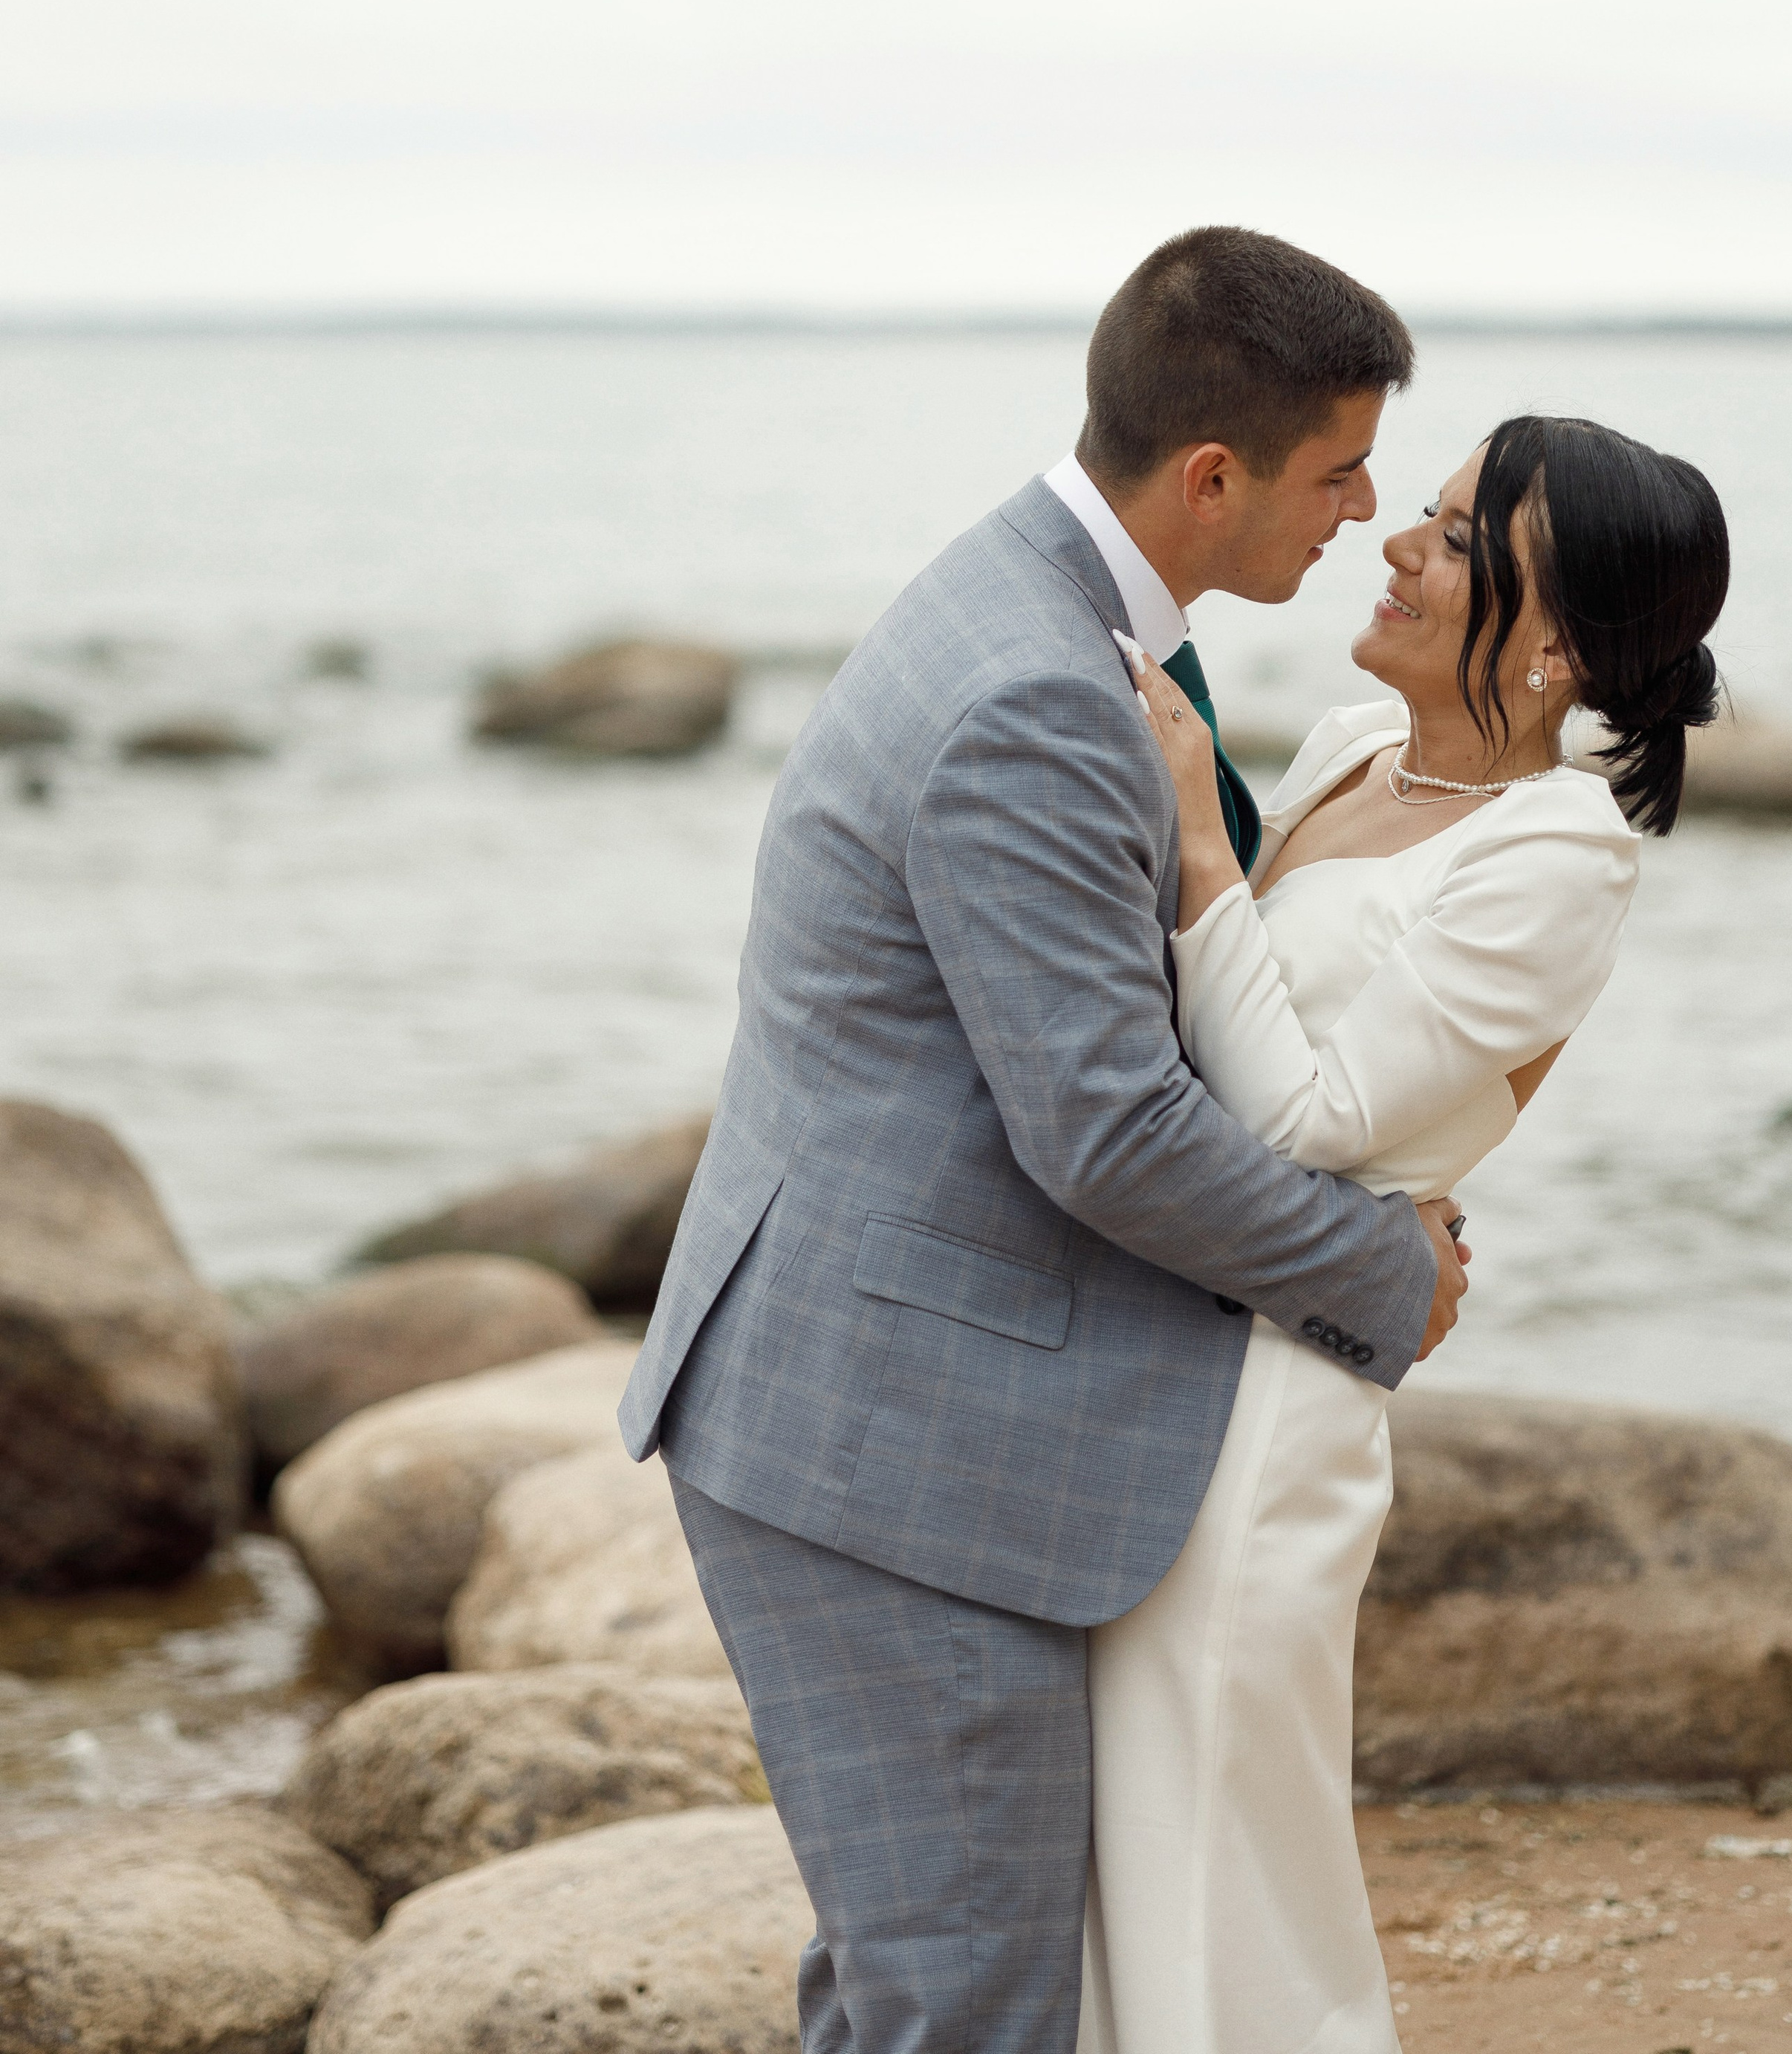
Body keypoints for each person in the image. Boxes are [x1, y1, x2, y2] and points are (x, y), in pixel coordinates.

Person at [619, 226, 1468, 2053]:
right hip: (880, 1453)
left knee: (921, 1987)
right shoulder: (1032, 691)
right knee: (964, 2004)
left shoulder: (1045, 611)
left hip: (870, 1394)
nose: (1366, 510)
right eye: (1338, 472)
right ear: (1212, 474)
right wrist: (1376, 1271)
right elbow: (1102, 1130)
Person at [1080, 411, 1729, 2054]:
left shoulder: (1557, 852)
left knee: (1229, 1833)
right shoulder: (1351, 746)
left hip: (1277, 1400)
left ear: (1563, 645)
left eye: (1451, 541)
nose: (1394, 546)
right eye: (1424, 515)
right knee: (1127, 1836)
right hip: (1171, 1333)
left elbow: (1302, 1119)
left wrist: (1199, 846)